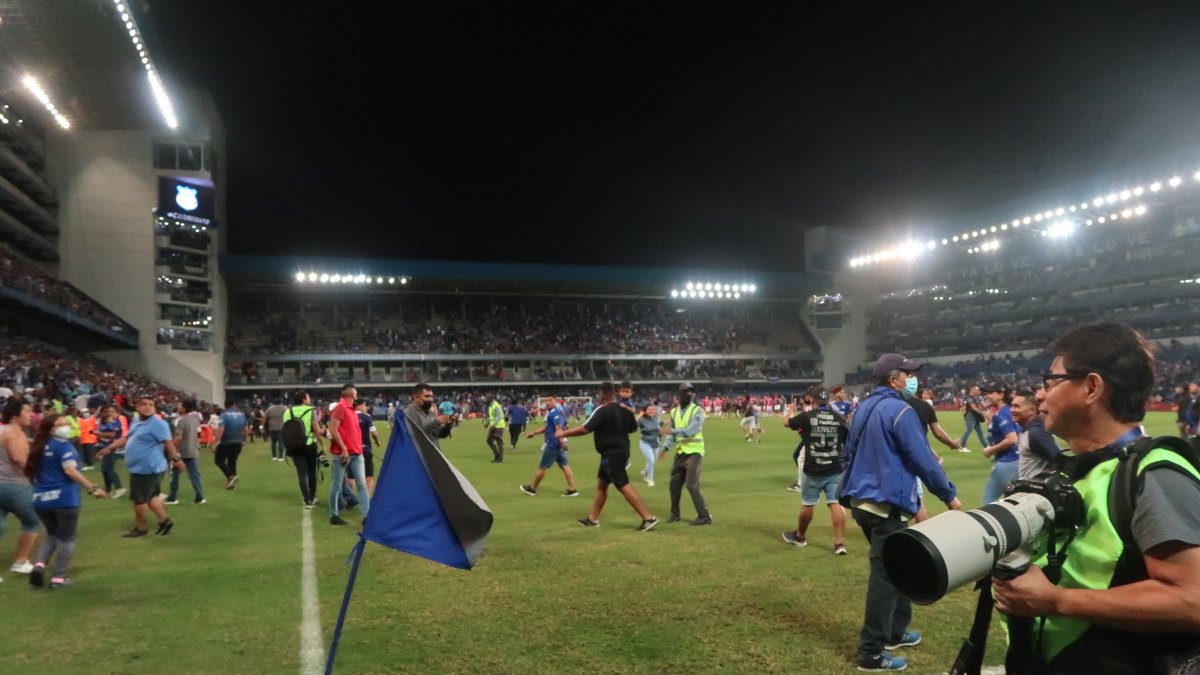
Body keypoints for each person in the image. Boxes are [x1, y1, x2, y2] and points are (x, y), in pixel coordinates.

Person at [991, 323, 1200, 673]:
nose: (1040, 395)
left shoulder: (1154, 473)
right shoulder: (1083, 470)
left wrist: (1057, 601)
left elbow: (1193, 599)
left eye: (1051, 381)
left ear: (1091, 387)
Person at [837, 353, 961, 672]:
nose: (912, 378)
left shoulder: (863, 407)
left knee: (898, 567)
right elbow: (923, 460)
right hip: (886, 503)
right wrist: (950, 497)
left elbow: (850, 451)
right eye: (907, 373)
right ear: (893, 379)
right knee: (886, 579)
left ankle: (894, 631)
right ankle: (871, 652)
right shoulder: (901, 411)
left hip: (860, 500)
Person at [558, 381, 657, 531]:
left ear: (602, 393)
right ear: (615, 392)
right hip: (619, 450)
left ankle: (648, 517)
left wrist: (563, 433)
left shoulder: (603, 410)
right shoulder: (624, 409)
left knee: (623, 484)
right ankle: (593, 519)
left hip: (612, 453)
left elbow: (585, 429)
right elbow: (633, 429)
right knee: (602, 484)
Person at [27, 414, 108, 588]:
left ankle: (39, 565)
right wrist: (92, 488)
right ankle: (58, 578)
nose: (66, 427)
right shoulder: (65, 447)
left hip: (41, 499)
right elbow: (70, 471)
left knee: (52, 533)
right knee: (67, 538)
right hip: (64, 498)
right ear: (52, 429)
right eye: (61, 424)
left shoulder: (38, 446)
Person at [96, 397, 184, 538]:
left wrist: (177, 460)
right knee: (151, 497)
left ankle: (141, 527)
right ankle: (165, 521)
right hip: (143, 467)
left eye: (151, 404)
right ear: (137, 407)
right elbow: (126, 438)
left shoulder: (158, 423)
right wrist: (110, 448)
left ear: (155, 408)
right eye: (144, 404)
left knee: (139, 500)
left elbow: (168, 443)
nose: (148, 407)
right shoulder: (137, 421)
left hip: (147, 468)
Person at [782, 388, 850, 554]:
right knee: (835, 503)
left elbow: (787, 423)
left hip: (813, 468)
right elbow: (848, 441)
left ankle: (800, 537)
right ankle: (840, 544)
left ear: (813, 400)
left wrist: (790, 411)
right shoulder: (839, 418)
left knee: (808, 503)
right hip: (834, 467)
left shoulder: (808, 416)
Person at [0, 398, 40, 579]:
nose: (31, 415)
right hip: (14, 485)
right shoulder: (16, 432)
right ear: (16, 415)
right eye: (27, 411)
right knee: (32, 520)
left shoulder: (2, 430)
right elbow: (19, 459)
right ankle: (21, 561)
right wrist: (36, 478)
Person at [665, 382, 712, 525]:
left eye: (691, 391)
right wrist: (665, 448)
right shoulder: (674, 412)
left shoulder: (697, 410)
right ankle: (675, 515)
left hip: (695, 452)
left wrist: (672, 431)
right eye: (686, 391)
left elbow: (692, 430)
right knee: (674, 485)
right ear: (679, 394)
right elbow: (672, 436)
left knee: (691, 484)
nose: (690, 394)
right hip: (681, 453)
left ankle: (704, 516)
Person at [326, 383, 369, 526]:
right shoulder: (341, 408)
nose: (357, 395)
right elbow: (333, 430)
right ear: (353, 395)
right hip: (343, 454)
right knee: (337, 484)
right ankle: (334, 514)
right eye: (356, 393)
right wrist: (344, 449)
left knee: (361, 484)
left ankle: (367, 515)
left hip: (357, 452)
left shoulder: (351, 409)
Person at [519, 396, 578, 497]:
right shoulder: (554, 412)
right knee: (565, 466)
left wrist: (562, 443)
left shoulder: (555, 413)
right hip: (559, 445)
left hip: (553, 445)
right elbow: (547, 427)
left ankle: (532, 488)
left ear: (555, 401)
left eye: (550, 400)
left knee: (542, 467)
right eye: (546, 400)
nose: (547, 402)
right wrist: (534, 432)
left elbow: (558, 429)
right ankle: (572, 489)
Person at [1009, 388, 1067, 480]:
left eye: (1017, 406)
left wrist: (1045, 482)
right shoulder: (1030, 430)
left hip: (1037, 491)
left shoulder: (1035, 433)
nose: (1011, 410)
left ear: (1032, 410)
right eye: (1011, 406)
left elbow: (1061, 460)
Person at [980, 381, 1020, 504]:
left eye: (991, 392)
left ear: (1000, 395)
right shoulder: (1009, 411)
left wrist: (990, 450)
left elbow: (1012, 439)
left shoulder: (1001, 414)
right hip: (1016, 459)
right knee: (1012, 499)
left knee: (989, 500)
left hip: (1008, 461)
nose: (987, 395)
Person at [283, 391, 323, 509]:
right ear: (304, 400)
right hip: (309, 443)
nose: (309, 399)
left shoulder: (288, 412)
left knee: (301, 473)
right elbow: (316, 428)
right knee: (311, 471)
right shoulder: (311, 411)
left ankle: (307, 499)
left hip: (295, 445)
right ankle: (313, 495)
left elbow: (287, 429)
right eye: (308, 397)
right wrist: (322, 445)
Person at [166, 399, 205, 505]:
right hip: (192, 450)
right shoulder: (194, 419)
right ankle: (200, 497)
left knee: (174, 474)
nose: (178, 407)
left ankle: (172, 497)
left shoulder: (180, 421)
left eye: (180, 405)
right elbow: (198, 435)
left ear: (183, 408)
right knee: (195, 475)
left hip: (180, 452)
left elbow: (178, 437)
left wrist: (170, 448)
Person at [404, 383, 454, 449]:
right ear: (416, 397)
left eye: (431, 396)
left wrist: (448, 425)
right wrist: (436, 422)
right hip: (420, 457)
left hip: (433, 456)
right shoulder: (409, 413)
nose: (430, 399)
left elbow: (438, 434)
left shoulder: (430, 413)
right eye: (427, 396)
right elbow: (415, 436)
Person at [94, 405, 126, 499]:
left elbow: (113, 434)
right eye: (108, 411)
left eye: (112, 411)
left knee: (108, 468)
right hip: (105, 447)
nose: (110, 413)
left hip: (113, 447)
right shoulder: (105, 421)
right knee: (105, 469)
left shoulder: (116, 422)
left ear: (117, 413)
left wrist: (99, 434)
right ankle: (107, 490)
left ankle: (119, 487)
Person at [214, 399, 247, 490]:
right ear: (234, 405)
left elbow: (221, 429)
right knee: (232, 461)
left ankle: (230, 476)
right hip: (237, 442)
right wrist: (244, 440)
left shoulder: (223, 415)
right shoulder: (241, 414)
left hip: (226, 442)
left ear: (225, 406)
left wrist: (215, 442)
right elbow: (245, 428)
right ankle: (231, 483)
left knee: (218, 460)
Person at [355, 399, 380, 495]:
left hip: (352, 449)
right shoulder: (366, 417)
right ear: (359, 406)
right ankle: (367, 495)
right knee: (369, 474)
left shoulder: (349, 416)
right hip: (365, 448)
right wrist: (377, 441)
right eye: (364, 406)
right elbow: (374, 433)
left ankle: (350, 498)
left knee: (351, 476)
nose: (366, 408)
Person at [636, 403, 663, 487]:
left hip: (656, 442)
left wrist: (672, 420)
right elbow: (633, 424)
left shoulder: (657, 418)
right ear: (645, 411)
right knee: (651, 460)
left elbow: (661, 424)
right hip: (645, 442)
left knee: (651, 461)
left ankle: (645, 471)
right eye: (649, 409)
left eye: (653, 409)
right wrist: (640, 415)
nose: (651, 411)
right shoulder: (641, 419)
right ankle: (650, 480)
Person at [959, 385, 987, 451]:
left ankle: (986, 446)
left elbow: (979, 406)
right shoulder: (969, 397)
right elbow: (973, 407)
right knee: (968, 431)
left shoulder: (976, 398)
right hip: (970, 417)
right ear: (973, 390)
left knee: (980, 433)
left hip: (976, 417)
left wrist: (982, 407)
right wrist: (982, 413)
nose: (978, 391)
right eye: (977, 389)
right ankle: (962, 446)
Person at [484, 396, 507, 463]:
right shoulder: (491, 406)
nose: (486, 401)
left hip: (498, 426)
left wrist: (493, 424)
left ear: (490, 400)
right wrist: (487, 423)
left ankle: (500, 457)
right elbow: (492, 417)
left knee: (498, 441)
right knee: (489, 440)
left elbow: (498, 416)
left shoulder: (495, 406)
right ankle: (497, 455)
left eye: (487, 400)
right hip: (494, 425)